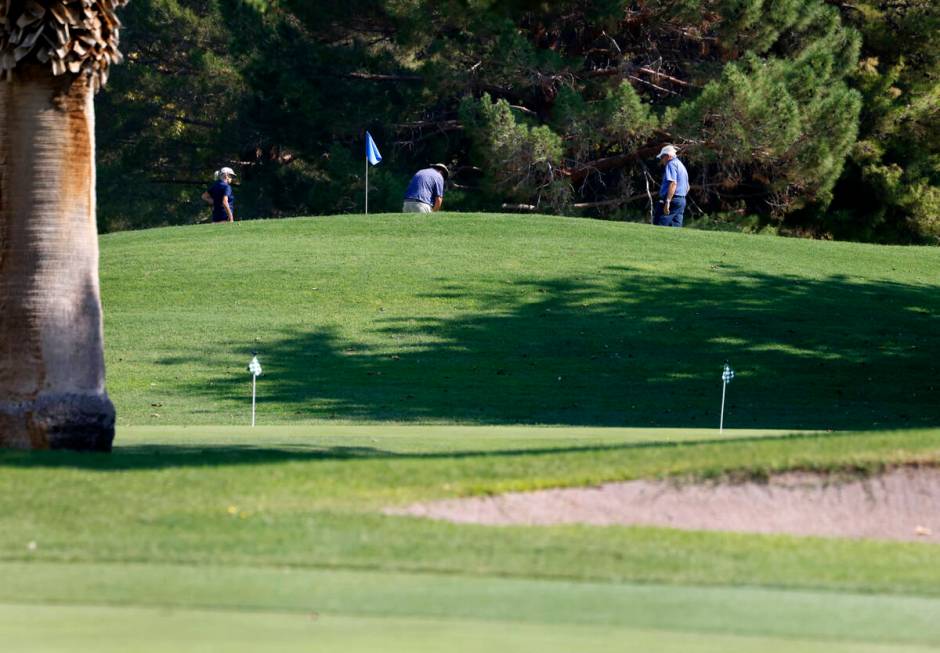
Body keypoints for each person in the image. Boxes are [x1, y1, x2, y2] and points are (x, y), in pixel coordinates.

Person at [653, 145, 689, 227]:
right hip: (681, 200)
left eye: (662, 157)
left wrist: (668, 201)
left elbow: (673, 183)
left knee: (659, 224)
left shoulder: (671, 164)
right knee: (675, 228)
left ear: (668, 156)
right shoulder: (681, 165)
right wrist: (679, 199)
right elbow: (687, 187)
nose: (661, 160)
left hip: (672, 200)